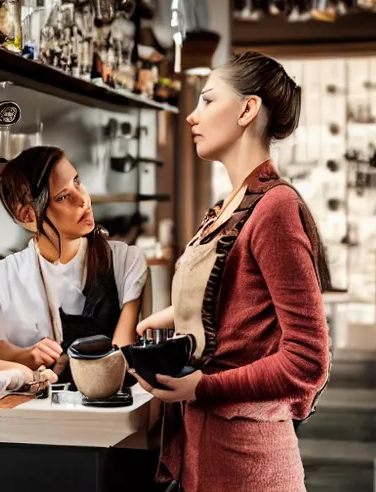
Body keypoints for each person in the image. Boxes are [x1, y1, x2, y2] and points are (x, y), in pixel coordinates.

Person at [134, 52, 328, 492]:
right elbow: (234, 298)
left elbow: (307, 361)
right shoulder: (228, 208)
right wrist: (166, 318)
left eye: (206, 101)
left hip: (250, 463)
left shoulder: (275, 209)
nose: (190, 115)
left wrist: (201, 388)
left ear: (247, 109)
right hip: (204, 453)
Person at [0, 146, 146, 375]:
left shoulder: (125, 260)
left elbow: (122, 350)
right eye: (63, 197)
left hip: (106, 397)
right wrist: (29, 356)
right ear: (28, 216)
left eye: (77, 181)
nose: (83, 200)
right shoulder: (7, 271)